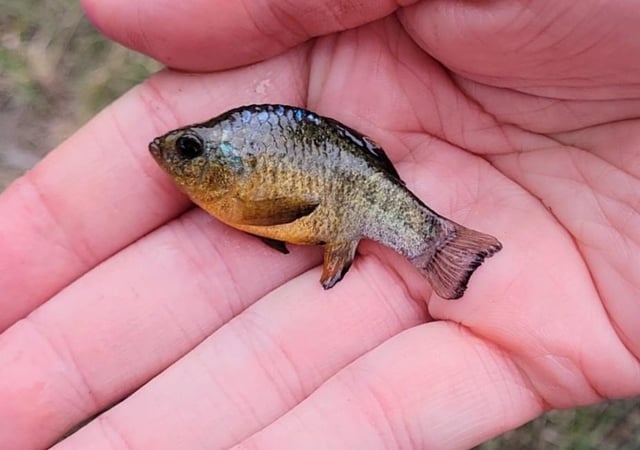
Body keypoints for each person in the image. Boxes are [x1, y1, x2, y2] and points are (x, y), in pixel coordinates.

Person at [1, 1, 638, 448]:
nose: (170, 155)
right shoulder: (234, 183)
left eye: (189, 150)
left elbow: (283, 212)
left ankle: (435, 245)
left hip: (349, 196)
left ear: (222, 160)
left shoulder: (239, 173)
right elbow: (273, 215)